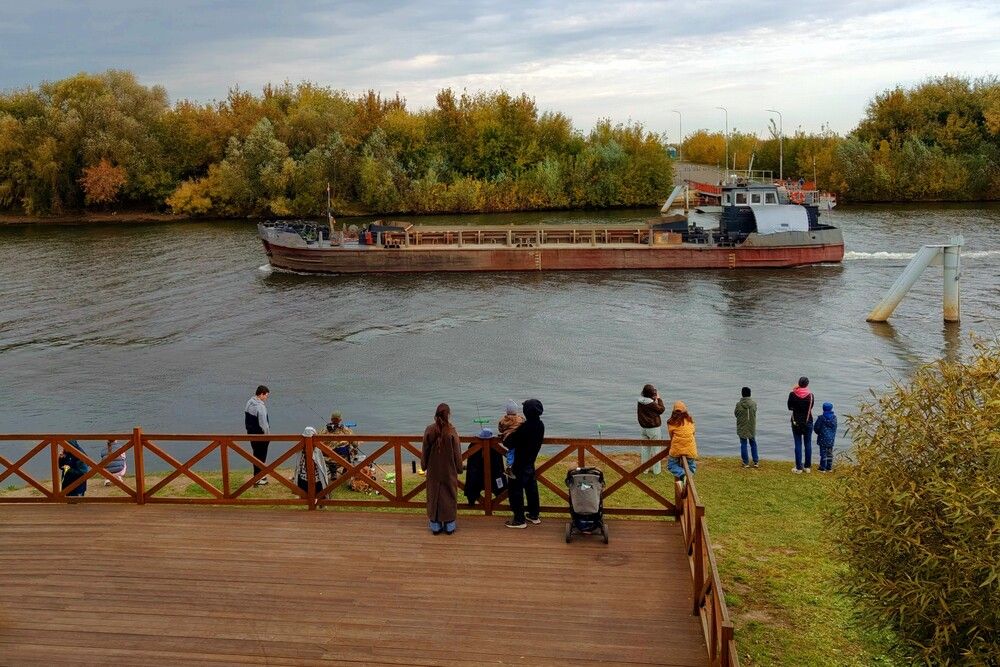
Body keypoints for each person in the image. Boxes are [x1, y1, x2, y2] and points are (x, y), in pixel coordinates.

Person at [421, 403, 464, 535]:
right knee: (449, 495)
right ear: (448, 415)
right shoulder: (451, 431)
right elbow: (457, 452)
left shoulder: (429, 430)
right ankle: (449, 526)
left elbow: (425, 450)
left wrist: (424, 465)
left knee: (434, 495)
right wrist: (459, 468)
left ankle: (435, 526)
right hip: (448, 469)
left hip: (434, 470)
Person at [504, 398, 545, 529]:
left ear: (527, 412)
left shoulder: (525, 428)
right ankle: (534, 515)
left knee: (515, 490)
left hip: (519, 463)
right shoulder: (540, 425)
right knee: (531, 488)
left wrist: (507, 434)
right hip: (530, 461)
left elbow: (509, 442)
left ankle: (519, 519)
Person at [293, 426, 331, 498]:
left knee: (315, 483)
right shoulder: (316, 447)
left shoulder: (316, 448)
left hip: (311, 475)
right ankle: (310, 498)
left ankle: (312, 498)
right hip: (306, 475)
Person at [787, 377, 815, 473]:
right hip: (808, 421)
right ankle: (807, 467)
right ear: (807, 384)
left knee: (798, 444)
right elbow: (811, 407)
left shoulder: (792, 394)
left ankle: (798, 467)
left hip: (796, 421)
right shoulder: (811, 396)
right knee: (808, 444)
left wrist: (794, 390)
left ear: (798, 383)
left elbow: (789, 407)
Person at [245, 385, 271, 486]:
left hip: (251, 434)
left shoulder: (249, 403)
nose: (266, 398)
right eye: (266, 395)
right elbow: (264, 424)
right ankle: (259, 478)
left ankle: (258, 476)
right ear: (261, 394)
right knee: (261, 457)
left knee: (255, 456)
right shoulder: (260, 406)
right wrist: (268, 436)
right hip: (261, 436)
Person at [637, 384, 666, 475]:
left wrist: (654, 399)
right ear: (651, 393)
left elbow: (649, 404)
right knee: (656, 450)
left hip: (643, 428)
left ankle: (645, 470)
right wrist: (659, 399)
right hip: (653, 429)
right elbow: (661, 409)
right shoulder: (652, 404)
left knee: (645, 449)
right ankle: (656, 471)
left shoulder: (640, 401)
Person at [666, 401, 698, 482]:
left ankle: (682, 475)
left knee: (671, 465)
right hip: (690, 449)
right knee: (692, 466)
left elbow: (671, 436)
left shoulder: (671, 422)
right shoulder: (690, 421)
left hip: (676, 449)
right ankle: (688, 479)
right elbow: (693, 433)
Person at [497, 399, 524, 478]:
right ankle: (509, 468)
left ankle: (509, 465)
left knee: (511, 450)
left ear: (507, 411)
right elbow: (524, 425)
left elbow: (500, 429)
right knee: (513, 451)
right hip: (516, 439)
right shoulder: (520, 419)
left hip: (506, 440)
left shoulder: (502, 420)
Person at [324, 411, 356, 477]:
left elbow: (317, 444)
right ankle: (346, 471)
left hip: (326, 459)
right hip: (342, 459)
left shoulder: (324, 430)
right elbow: (355, 444)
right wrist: (344, 429)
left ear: (331, 419)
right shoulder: (346, 430)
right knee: (352, 449)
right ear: (340, 420)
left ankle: (333, 472)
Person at [734, 387, 759, 468]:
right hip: (751, 426)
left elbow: (736, 414)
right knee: (753, 443)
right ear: (750, 394)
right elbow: (755, 412)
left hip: (742, 426)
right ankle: (756, 462)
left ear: (742, 394)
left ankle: (746, 462)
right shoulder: (754, 404)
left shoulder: (738, 404)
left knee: (743, 444)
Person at [814, 402, 838, 472]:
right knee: (829, 453)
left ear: (823, 409)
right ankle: (829, 467)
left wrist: (818, 433)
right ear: (831, 409)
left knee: (823, 453)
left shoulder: (821, 418)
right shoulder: (834, 418)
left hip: (822, 438)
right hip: (831, 439)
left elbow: (816, 428)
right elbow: (835, 428)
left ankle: (822, 468)